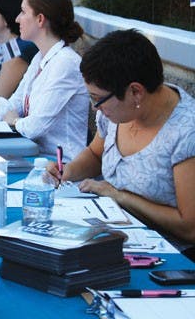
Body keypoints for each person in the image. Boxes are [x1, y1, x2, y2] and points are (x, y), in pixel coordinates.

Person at [47, 29, 195, 258]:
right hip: (112, 232)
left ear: (135, 91)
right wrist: (66, 171)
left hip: (168, 256)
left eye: (98, 99)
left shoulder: (186, 132)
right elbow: (96, 155)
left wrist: (120, 196)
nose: (95, 108)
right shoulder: (115, 115)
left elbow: (189, 226)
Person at [0, 0, 89, 160]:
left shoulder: (65, 63)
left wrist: (14, 121)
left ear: (40, 19)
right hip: (37, 159)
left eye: (23, 12)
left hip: (61, 167)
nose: (17, 19)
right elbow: (9, 108)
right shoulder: (39, 59)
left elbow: (35, 126)